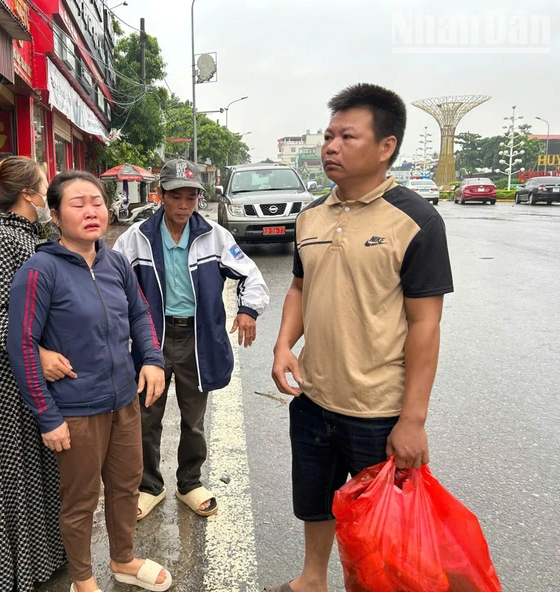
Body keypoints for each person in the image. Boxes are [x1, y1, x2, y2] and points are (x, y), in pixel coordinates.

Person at [266, 83, 453, 592]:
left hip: (378, 408)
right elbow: (301, 288)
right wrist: (284, 344)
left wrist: (412, 419)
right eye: (329, 135)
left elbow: (425, 324)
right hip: (314, 397)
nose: (332, 146)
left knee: (379, 520)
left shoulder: (415, 220)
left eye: (348, 136)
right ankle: (311, 579)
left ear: (386, 146)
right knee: (316, 498)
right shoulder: (310, 217)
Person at [8, 170, 172, 592]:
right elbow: (22, 344)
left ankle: (124, 559)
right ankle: (82, 579)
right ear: (56, 215)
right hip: (77, 409)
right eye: (77, 204)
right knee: (80, 501)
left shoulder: (115, 260)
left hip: (124, 401)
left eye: (97, 202)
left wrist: (151, 359)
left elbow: (139, 313)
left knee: (126, 485)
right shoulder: (39, 270)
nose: (91, 211)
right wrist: (47, 416)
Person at [113, 158, 270, 520]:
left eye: (191, 197)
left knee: (193, 419)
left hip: (197, 340)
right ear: (160, 195)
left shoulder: (215, 236)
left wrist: (248, 310)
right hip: (150, 341)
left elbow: (251, 275)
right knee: (147, 418)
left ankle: (190, 482)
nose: (184, 205)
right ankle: (149, 485)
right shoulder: (136, 237)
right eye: (176, 196)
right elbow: (110, 282)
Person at [0, 157, 70, 591]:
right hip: (5, 378)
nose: (48, 194)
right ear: (29, 194)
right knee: (9, 471)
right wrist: (39, 353)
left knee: (39, 466)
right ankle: (9, 573)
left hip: (33, 371)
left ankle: (41, 560)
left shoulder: (33, 236)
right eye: (45, 186)